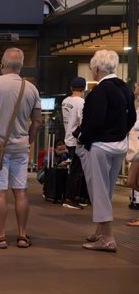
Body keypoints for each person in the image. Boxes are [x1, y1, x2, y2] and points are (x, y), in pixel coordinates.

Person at [0, 47, 42, 249]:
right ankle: (22, 236)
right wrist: (28, 141)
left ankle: (0, 236)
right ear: (21, 65)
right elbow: (37, 122)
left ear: (2, 64)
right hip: (20, 147)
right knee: (21, 191)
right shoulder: (31, 88)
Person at [76, 50, 135, 252]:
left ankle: (108, 238)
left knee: (98, 191)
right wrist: (119, 133)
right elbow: (132, 117)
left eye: (92, 68)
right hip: (119, 145)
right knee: (107, 190)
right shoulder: (124, 88)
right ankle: (100, 231)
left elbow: (94, 120)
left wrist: (83, 138)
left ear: (97, 69)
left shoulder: (100, 91)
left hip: (100, 146)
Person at [61, 77, 87, 210]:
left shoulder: (65, 101)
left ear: (71, 88)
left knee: (75, 169)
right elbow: (82, 121)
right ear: (84, 88)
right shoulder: (81, 102)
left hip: (68, 138)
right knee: (76, 171)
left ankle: (74, 196)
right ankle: (70, 198)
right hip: (77, 140)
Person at [125, 82, 139, 227]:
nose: (135, 87)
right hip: (136, 151)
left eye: (137, 85)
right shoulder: (137, 106)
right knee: (131, 182)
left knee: (133, 181)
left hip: (138, 150)